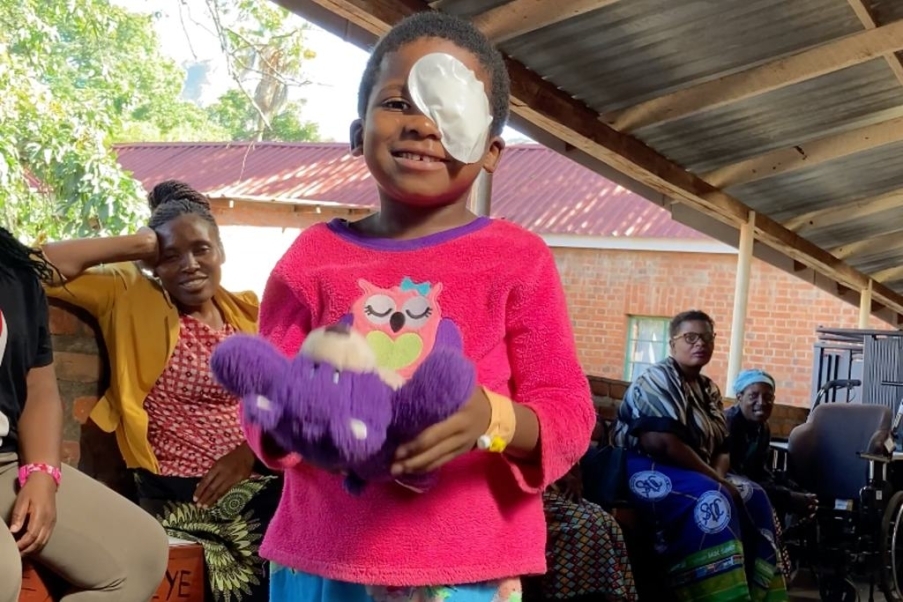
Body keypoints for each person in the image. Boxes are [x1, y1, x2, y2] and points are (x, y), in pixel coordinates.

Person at [244, 11, 596, 602]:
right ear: (358, 133)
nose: (422, 125)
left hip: (467, 571)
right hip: (323, 562)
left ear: (490, 150)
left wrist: (492, 418)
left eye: (449, 107)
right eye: (398, 103)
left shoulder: (519, 260)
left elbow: (568, 411)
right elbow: (262, 393)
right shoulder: (310, 258)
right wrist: (294, 418)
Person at [40, 181, 282, 602]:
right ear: (152, 263)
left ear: (221, 252)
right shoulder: (130, 293)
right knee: (281, 514)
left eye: (201, 250)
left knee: (313, 500)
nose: (189, 265)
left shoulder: (247, 315)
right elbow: (38, 265)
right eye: (171, 256)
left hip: (251, 473)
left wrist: (248, 454)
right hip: (179, 489)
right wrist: (140, 243)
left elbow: (280, 405)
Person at [0, 226, 169, 601]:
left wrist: (43, 473)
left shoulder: (15, 270)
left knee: (138, 553)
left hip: (4, 464)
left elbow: (39, 387)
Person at [613, 310, 788, 602]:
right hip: (645, 466)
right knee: (713, 497)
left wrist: (719, 476)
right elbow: (662, 443)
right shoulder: (657, 377)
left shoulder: (708, 389)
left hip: (695, 469)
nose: (699, 344)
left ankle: (758, 592)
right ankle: (715, 594)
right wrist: (715, 480)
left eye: (706, 337)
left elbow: (723, 445)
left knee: (755, 495)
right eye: (690, 337)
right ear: (673, 344)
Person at [726, 369, 816, 519]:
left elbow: (760, 471)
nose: (761, 402)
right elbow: (733, 474)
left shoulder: (763, 428)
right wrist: (787, 497)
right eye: (753, 396)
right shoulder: (729, 424)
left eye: (768, 397)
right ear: (739, 397)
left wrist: (793, 490)